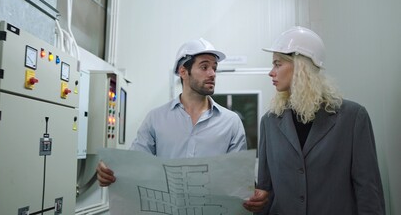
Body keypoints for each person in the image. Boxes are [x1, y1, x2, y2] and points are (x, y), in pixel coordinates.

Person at [96, 38, 268, 212]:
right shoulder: (156, 119)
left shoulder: (231, 122)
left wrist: (252, 195)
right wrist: (110, 173)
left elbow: (238, 179)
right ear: (183, 71)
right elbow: (135, 168)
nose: (212, 73)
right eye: (204, 67)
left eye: (214, 68)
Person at [255, 26, 385, 214]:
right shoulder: (270, 121)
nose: (271, 72)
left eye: (278, 64)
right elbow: (266, 191)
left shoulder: (353, 118)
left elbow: (368, 190)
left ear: (300, 66)